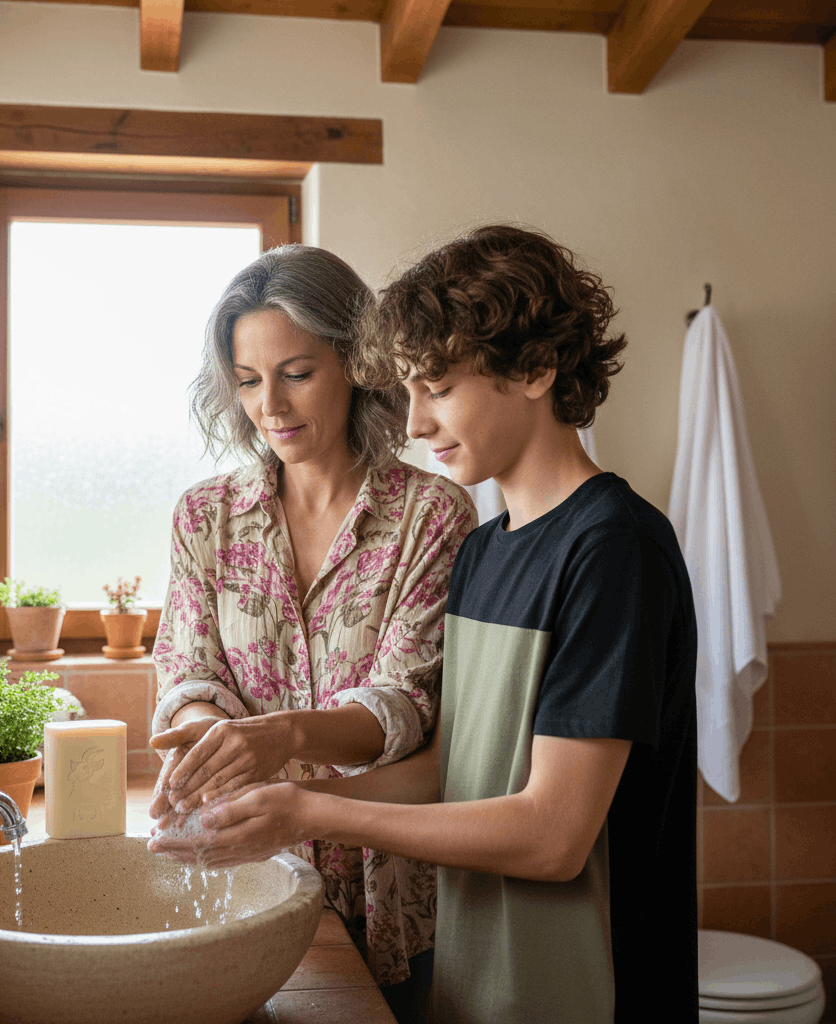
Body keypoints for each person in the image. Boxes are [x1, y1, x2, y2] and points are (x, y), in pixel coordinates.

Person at [150, 225, 699, 1024]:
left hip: (593, 989)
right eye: (407, 388)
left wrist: (307, 810)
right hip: (483, 979)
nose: (411, 423)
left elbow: (553, 836)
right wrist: (273, 807)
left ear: (538, 369)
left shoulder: (615, 550)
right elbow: (451, 771)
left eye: (436, 388)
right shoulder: (487, 550)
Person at [147, 243, 477, 1019]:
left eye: (296, 373)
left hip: (390, 885)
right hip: (248, 873)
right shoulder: (206, 515)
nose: (272, 407)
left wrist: (278, 737)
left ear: (356, 363)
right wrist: (206, 740)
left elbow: (404, 710)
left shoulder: (433, 517)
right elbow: (188, 672)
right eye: (249, 382)